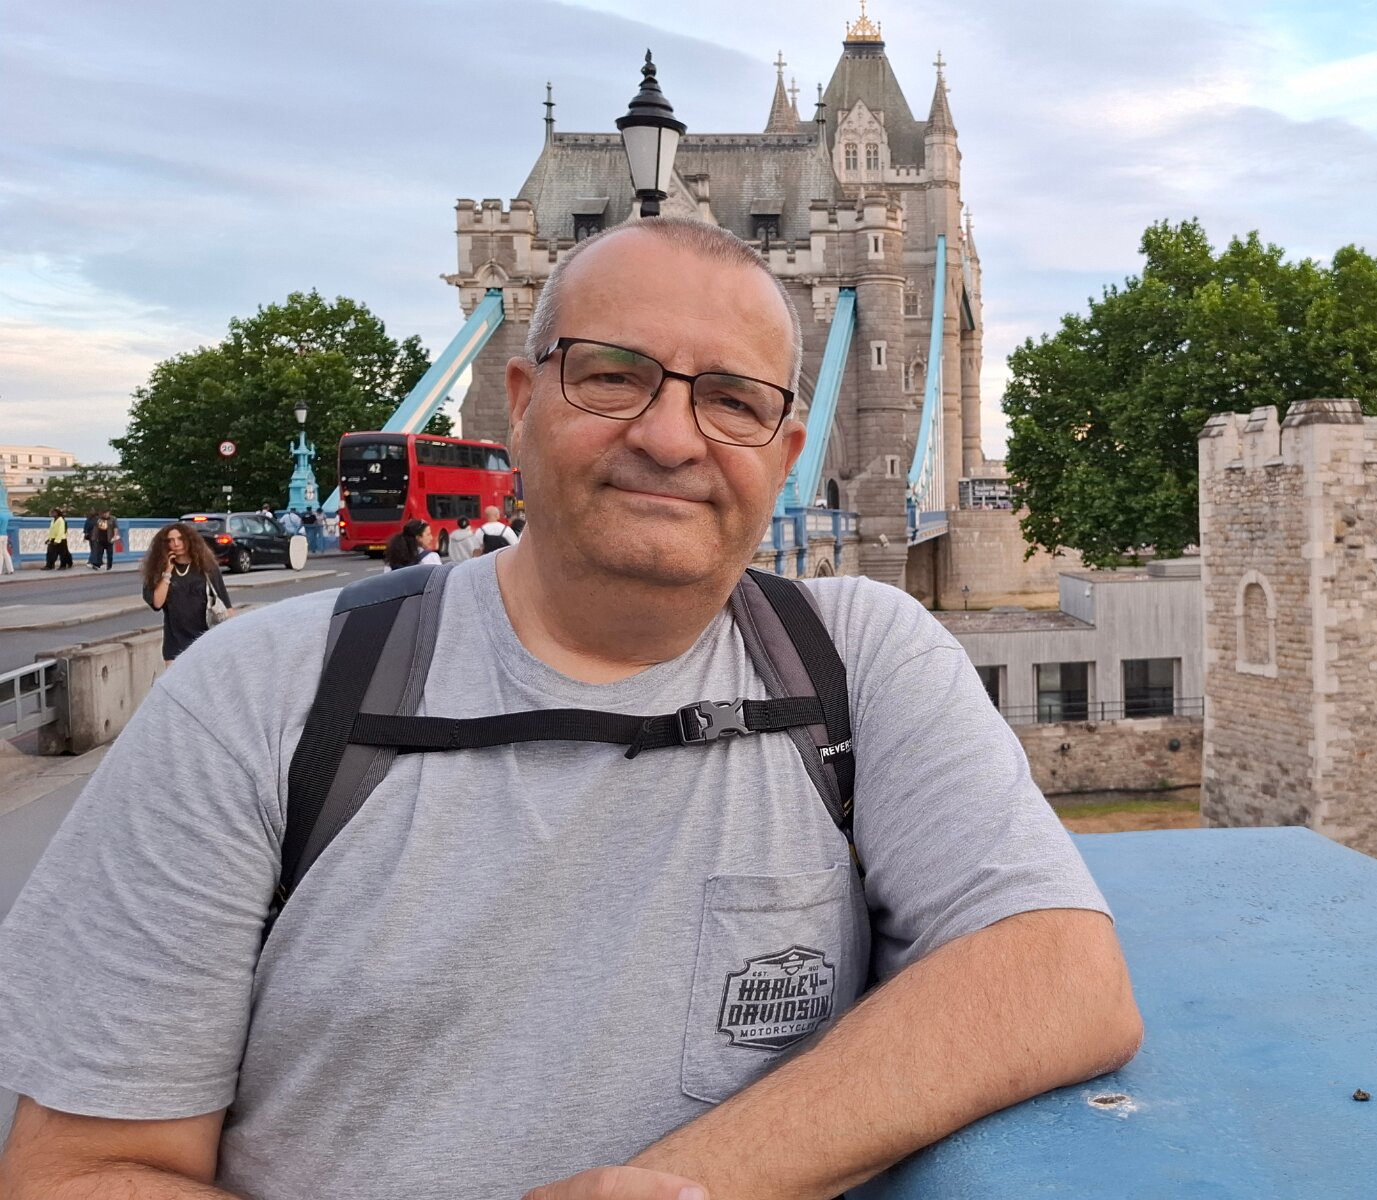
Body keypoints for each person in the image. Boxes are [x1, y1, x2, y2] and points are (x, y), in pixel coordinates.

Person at [0, 217, 1139, 1199]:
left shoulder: (858, 659)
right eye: (610, 375)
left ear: (786, 450)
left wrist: (691, 1185)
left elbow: (1059, 970)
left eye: (733, 401)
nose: (670, 437)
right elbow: (80, 1170)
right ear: (519, 401)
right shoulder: (261, 695)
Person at [138, 521, 232, 662]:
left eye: (181, 539)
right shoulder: (157, 571)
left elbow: (226, 606)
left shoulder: (207, 568)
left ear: (190, 540)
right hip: (175, 644)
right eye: (170, 540)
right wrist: (167, 572)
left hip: (206, 641)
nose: (176, 544)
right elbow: (157, 603)